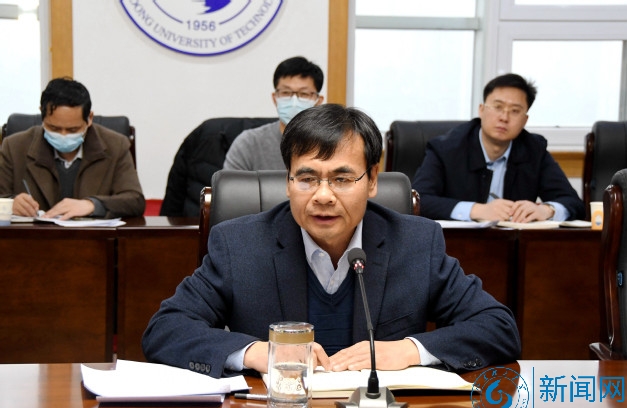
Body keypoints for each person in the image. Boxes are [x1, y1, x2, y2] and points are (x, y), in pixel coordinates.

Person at [142, 104, 520, 378]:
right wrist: (257, 353)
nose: (323, 196)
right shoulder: (239, 244)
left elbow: (498, 327)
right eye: (307, 179)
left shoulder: (415, 242)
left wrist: (409, 351)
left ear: (372, 181)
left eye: (342, 179)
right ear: (288, 181)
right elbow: (166, 329)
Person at [411, 73, 585, 222]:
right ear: (481, 110)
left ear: (525, 120)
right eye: (498, 107)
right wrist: (476, 210)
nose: (504, 117)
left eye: (515, 111)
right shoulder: (446, 148)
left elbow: (574, 203)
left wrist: (546, 210)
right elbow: (417, 200)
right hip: (455, 244)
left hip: (512, 245)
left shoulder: (534, 150)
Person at [0, 77, 145, 219]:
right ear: (42, 115)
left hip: (92, 235)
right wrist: (10, 204)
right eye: (54, 128)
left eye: (73, 130)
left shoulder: (116, 145)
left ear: (89, 118)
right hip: (33, 234)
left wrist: (93, 205)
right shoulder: (14, 147)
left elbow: (135, 201)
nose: (63, 135)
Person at [222, 56, 324, 171]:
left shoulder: (331, 143)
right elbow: (229, 182)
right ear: (275, 98)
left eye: (304, 94)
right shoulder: (249, 143)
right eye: (286, 92)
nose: (294, 101)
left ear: (318, 101)